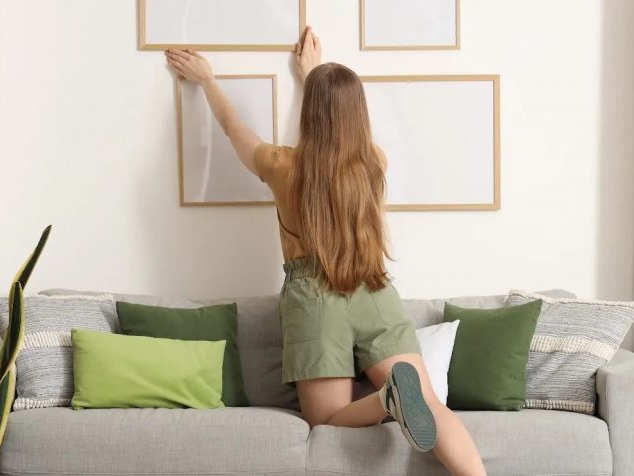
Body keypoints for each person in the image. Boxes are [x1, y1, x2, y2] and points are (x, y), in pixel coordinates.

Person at [165, 27, 487, 476]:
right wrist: (316, 73)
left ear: (310, 112)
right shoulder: (374, 162)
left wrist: (208, 81)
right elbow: (338, 130)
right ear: (360, 114)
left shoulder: (281, 166)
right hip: (375, 290)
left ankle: (387, 400)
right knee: (431, 403)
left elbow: (233, 128)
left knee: (323, 419)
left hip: (315, 298)